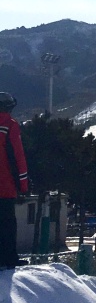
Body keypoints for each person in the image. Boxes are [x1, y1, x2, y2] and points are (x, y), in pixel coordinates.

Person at [0, 93, 28, 270]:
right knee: (7, 223)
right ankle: (8, 258)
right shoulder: (10, 126)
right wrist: (23, 185)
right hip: (5, 186)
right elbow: (18, 157)